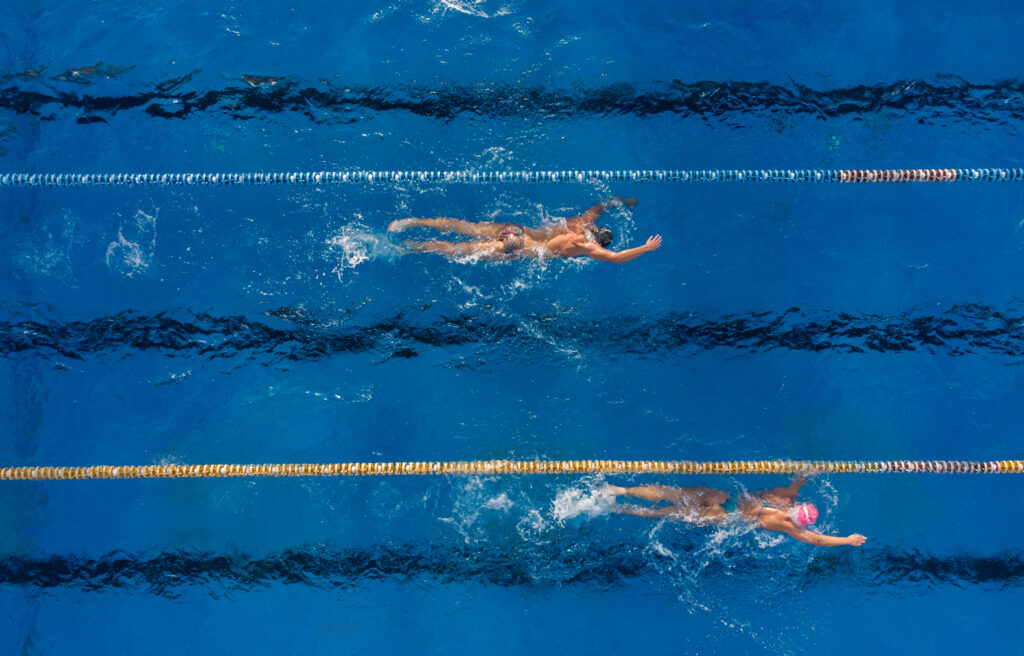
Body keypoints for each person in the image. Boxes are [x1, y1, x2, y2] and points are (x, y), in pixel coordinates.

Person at [601, 476, 867, 548]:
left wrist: (802, 479)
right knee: (667, 512)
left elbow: (795, 487)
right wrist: (847, 540)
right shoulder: (788, 526)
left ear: (798, 507)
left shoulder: (785, 498)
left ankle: (619, 490)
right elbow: (816, 539)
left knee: (675, 493)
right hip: (726, 518)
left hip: (727, 501)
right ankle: (619, 509)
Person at [387, 197, 661, 263]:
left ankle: (410, 222)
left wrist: (625, 202)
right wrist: (646, 248)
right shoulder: (588, 247)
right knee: (456, 250)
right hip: (516, 247)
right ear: (599, 242)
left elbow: (601, 203)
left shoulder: (583, 222)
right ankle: (408, 247)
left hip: (515, 230)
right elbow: (616, 257)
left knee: (465, 227)